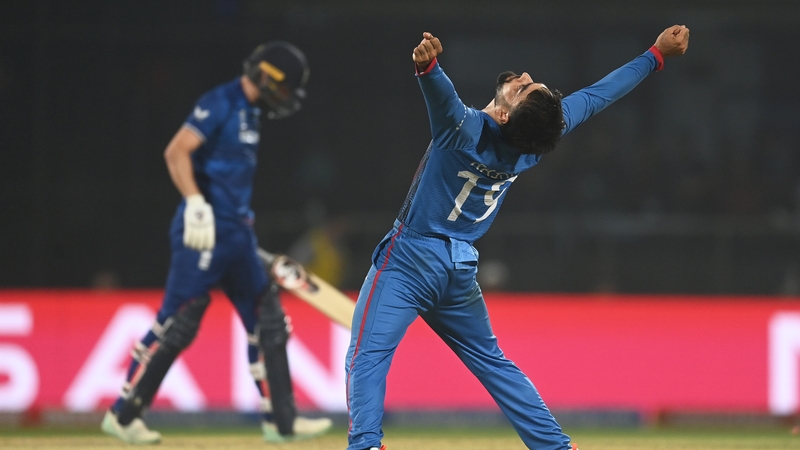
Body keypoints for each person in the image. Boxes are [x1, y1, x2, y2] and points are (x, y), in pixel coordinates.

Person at [344, 26, 690, 450]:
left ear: (506, 114)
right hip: (458, 267)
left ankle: (364, 445)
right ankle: (554, 447)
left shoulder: (463, 131)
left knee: (367, 358)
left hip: (411, 257)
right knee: (494, 364)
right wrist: (655, 55)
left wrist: (428, 68)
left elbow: (443, 100)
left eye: (524, 88)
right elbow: (602, 95)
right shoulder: (536, 140)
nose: (522, 77)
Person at [101, 41, 332, 445]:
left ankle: (282, 422)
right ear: (267, 75)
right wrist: (194, 203)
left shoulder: (253, 113)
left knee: (268, 321)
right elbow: (177, 152)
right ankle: (121, 416)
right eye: (284, 86)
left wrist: (241, 234)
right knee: (178, 321)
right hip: (203, 231)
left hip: (237, 235)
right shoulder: (221, 101)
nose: (286, 97)